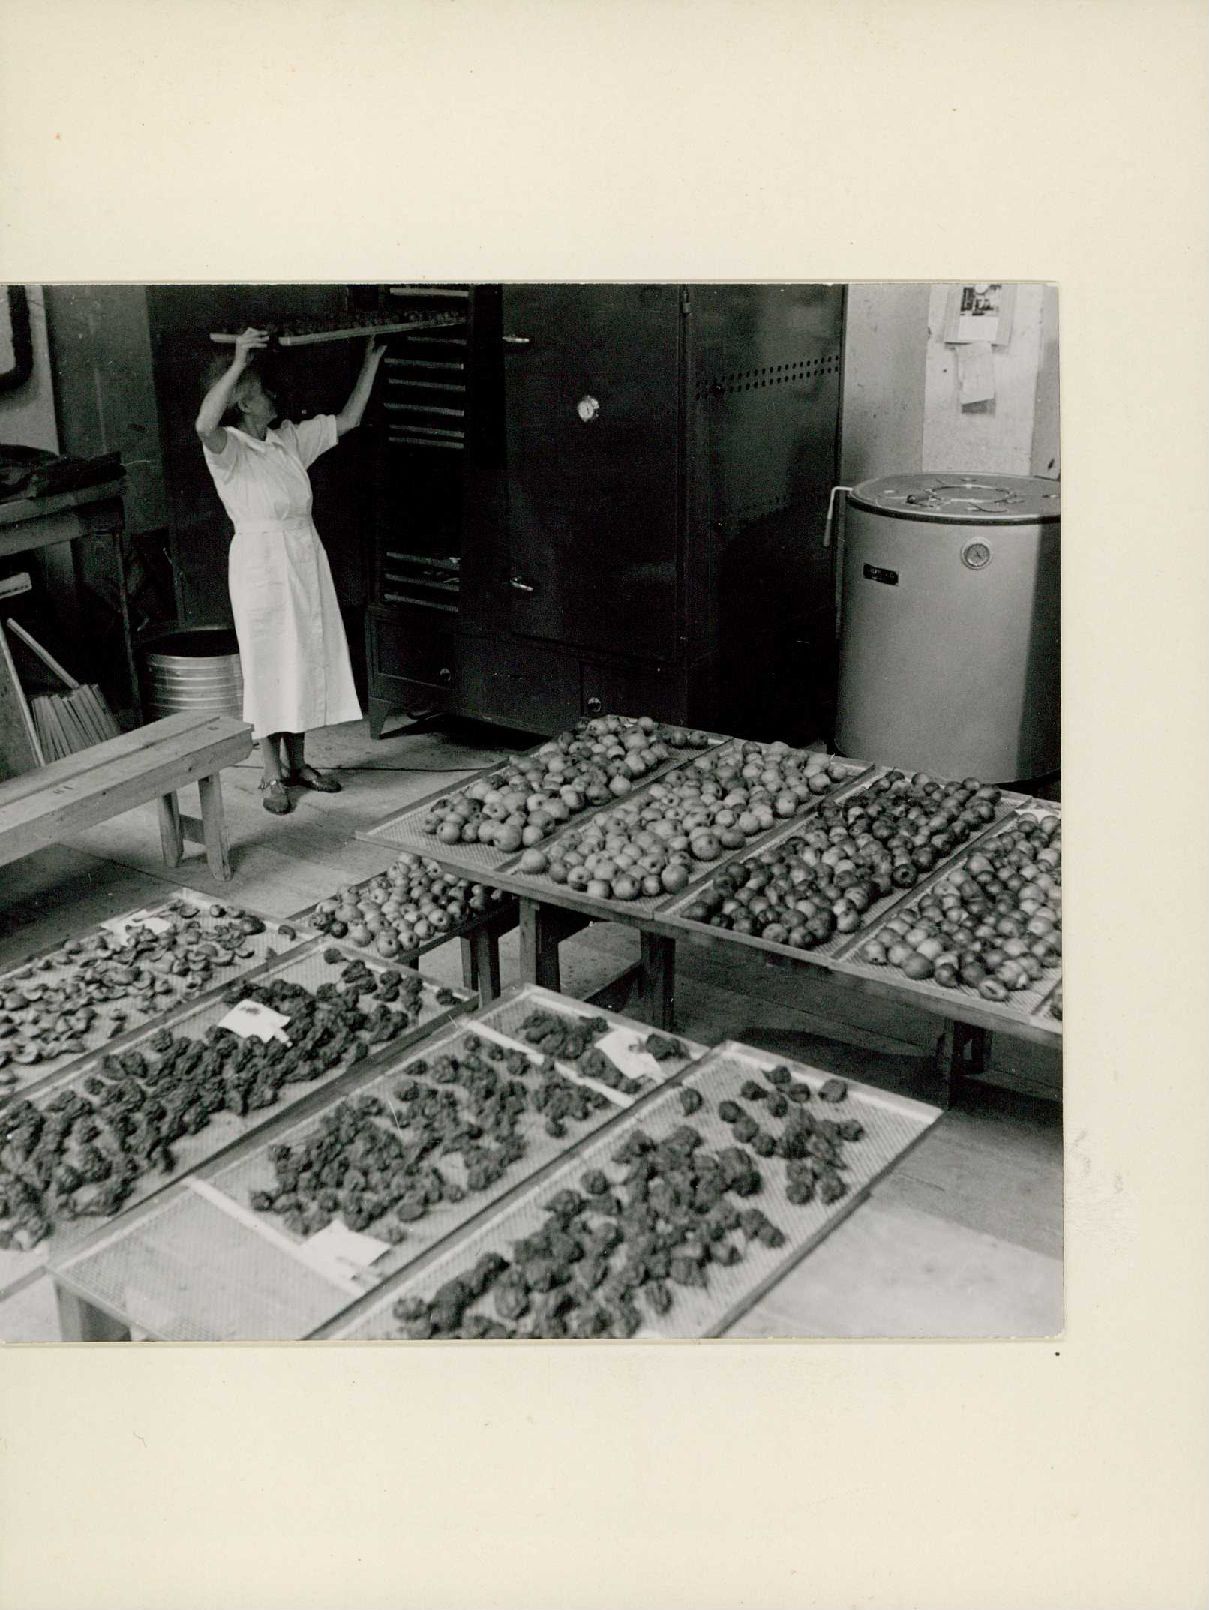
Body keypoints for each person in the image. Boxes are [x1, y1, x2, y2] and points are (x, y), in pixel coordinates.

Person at [196, 327, 386, 813]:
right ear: (244, 402)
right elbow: (203, 423)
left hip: (303, 558)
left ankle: (298, 764)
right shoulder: (229, 450)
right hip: (261, 566)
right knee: (269, 666)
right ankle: (270, 775)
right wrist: (238, 363)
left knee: (302, 658)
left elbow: (349, 419)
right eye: (263, 392)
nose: (275, 397)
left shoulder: (287, 441)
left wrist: (370, 363)